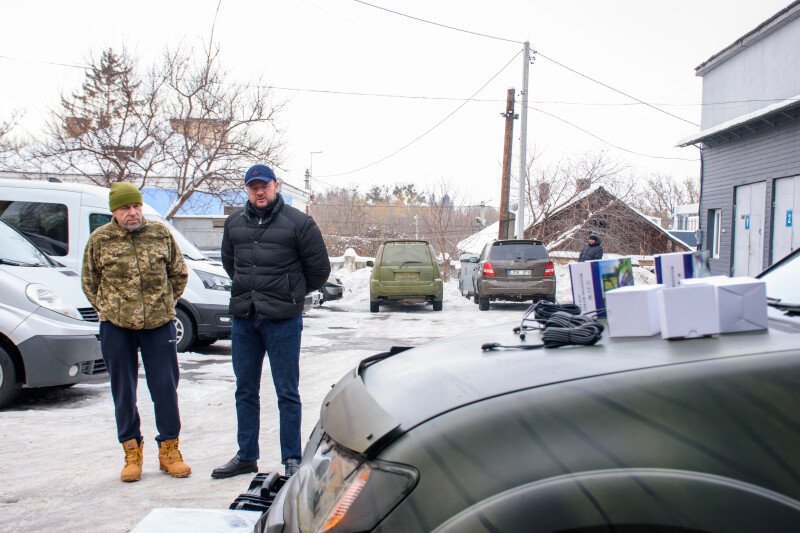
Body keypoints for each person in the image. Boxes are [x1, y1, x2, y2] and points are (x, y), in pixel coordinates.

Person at [212, 164, 330, 479]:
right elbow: (231, 264)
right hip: (245, 319)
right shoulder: (234, 223)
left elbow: (319, 270)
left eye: (264, 186)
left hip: (282, 321)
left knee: (287, 391)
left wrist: (290, 293)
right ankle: (246, 456)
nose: (259, 192)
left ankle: (291, 458)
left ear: (276, 185)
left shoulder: (299, 223)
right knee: (245, 389)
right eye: (253, 187)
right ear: (247, 190)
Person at [81, 182, 191, 483]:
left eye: (136, 206)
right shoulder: (100, 239)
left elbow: (179, 273)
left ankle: (170, 450)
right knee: (123, 390)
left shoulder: (159, 233)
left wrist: (164, 303)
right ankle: (131, 451)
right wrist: (109, 308)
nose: (132, 212)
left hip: (158, 324)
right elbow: (89, 281)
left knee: (165, 388)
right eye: (125, 208)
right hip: (116, 326)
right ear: (114, 211)